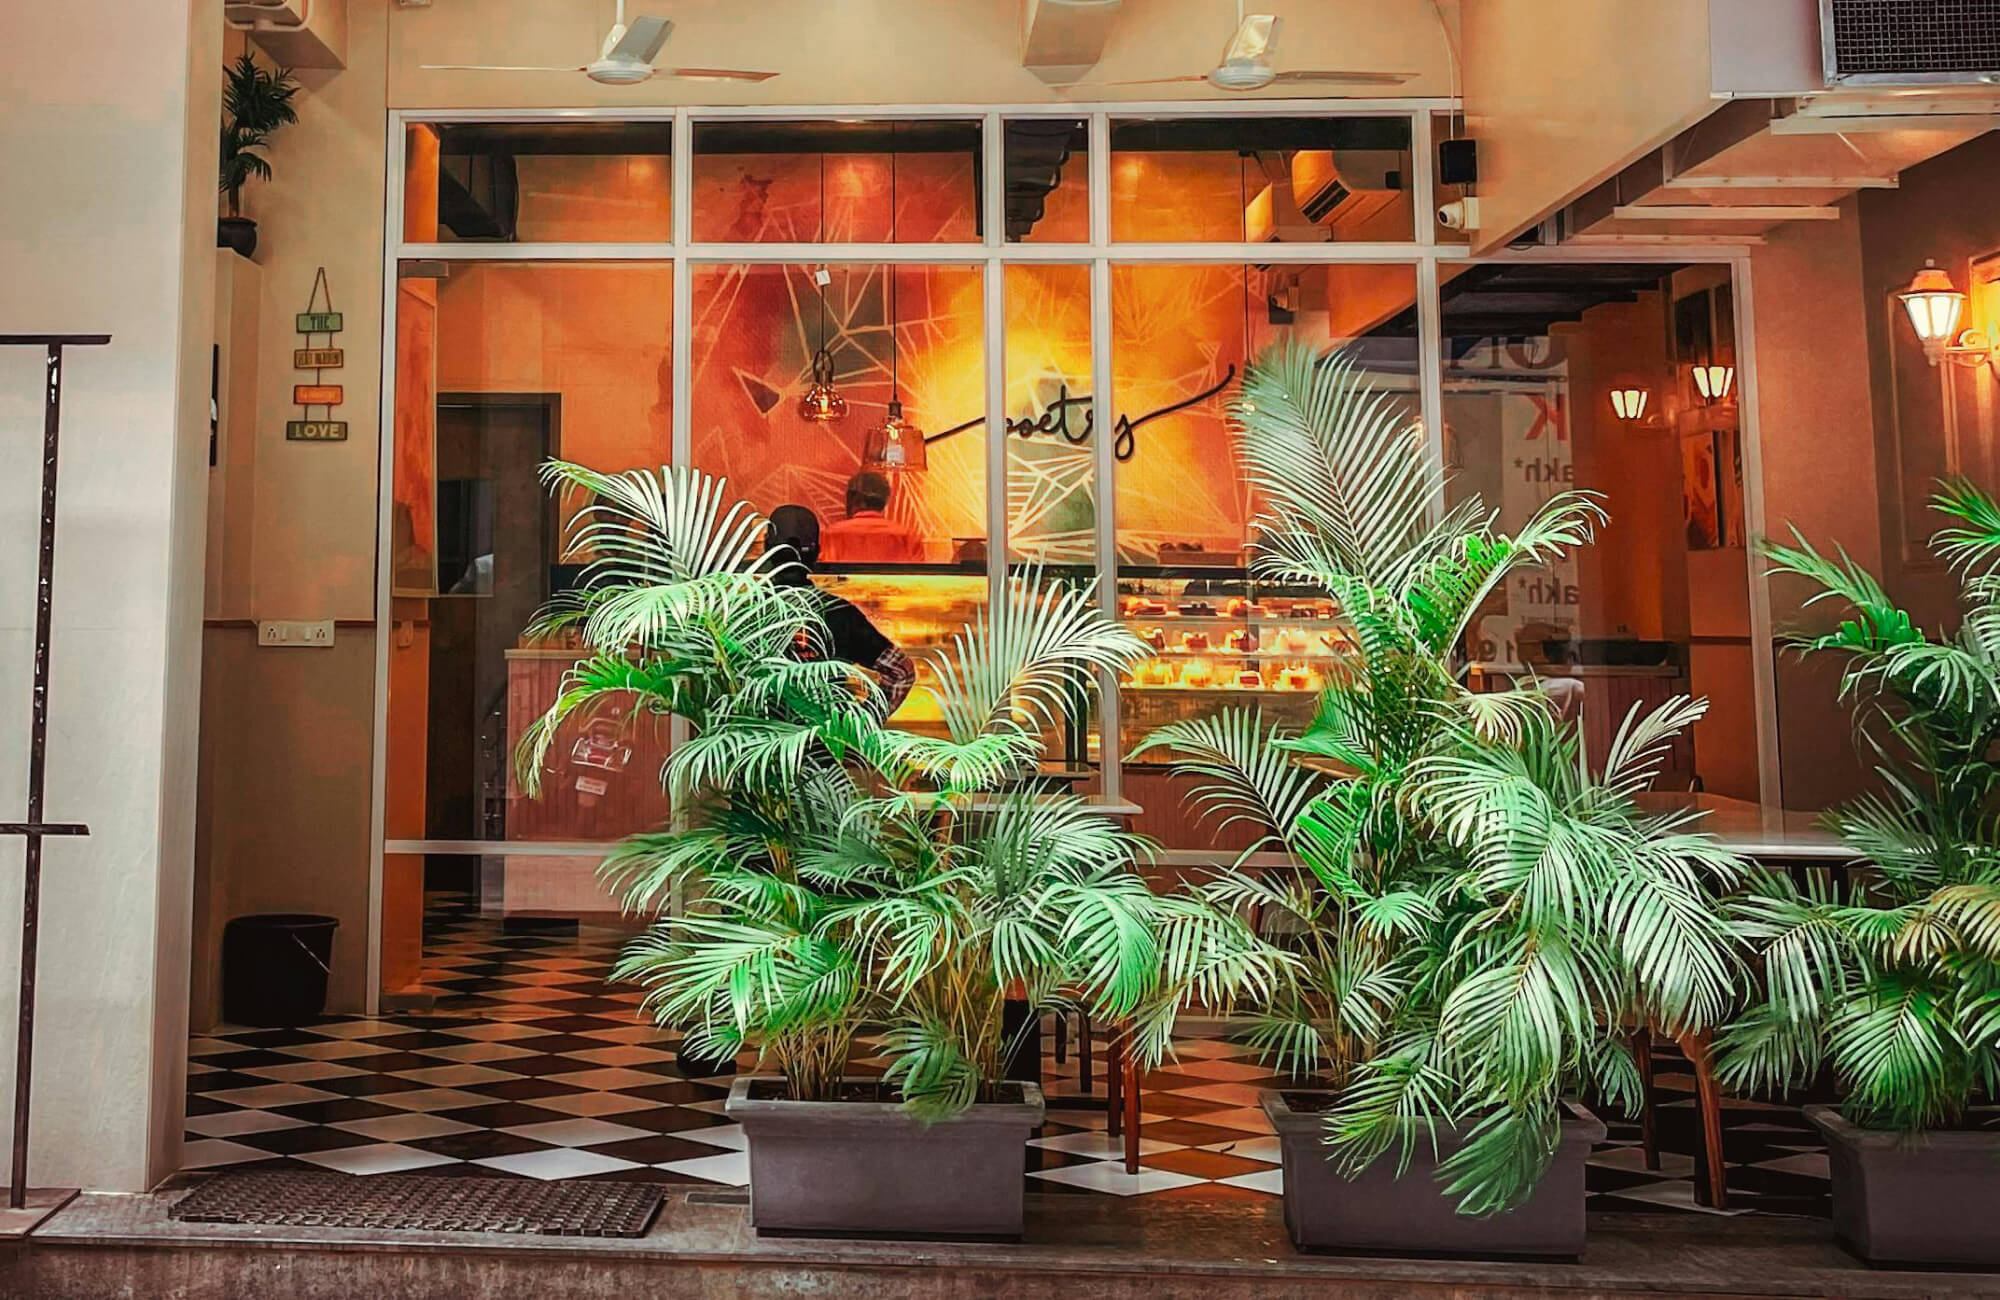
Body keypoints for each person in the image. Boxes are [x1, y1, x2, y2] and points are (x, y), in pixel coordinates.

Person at [766, 504, 916, 715]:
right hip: (830, 742)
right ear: (817, 553)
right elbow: (901, 671)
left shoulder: (743, 612)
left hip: (759, 744)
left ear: (766, 549)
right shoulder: (840, 612)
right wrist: (862, 724)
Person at [818, 470, 926, 564]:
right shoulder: (907, 536)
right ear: (885, 500)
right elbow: (919, 578)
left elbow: (824, 578)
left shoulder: (832, 534)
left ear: (851, 498)